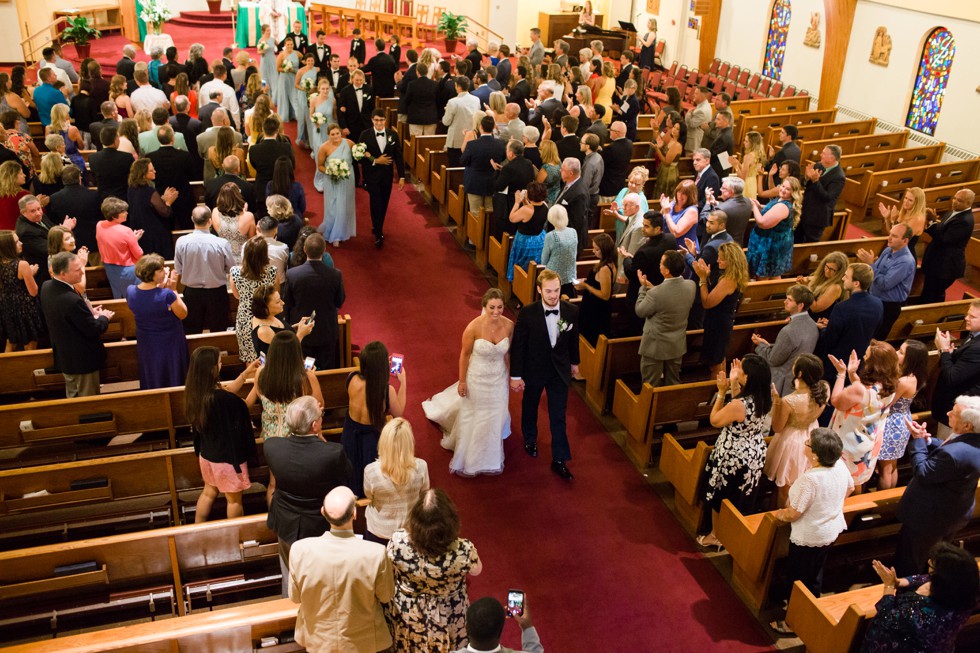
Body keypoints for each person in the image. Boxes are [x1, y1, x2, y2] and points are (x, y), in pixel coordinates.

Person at [768, 428, 854, 636]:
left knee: (797, 579)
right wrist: (829, 506)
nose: (805, 444)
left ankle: (794, 621)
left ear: (815, 454)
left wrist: (778, 514)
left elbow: (794, 513)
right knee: (815, 574)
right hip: (829, 531)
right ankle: (812, 611)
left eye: (808, 443)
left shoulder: (811, 480)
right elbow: (850, 488)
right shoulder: (840, 466)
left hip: (810, 535)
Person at [289, 486, 395, 652]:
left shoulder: (299, 550)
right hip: (364, 641)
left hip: (318, 639)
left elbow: (295, 597)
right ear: (354, 514)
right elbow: (386, 595)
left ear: (323, 512)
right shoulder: (375, 553)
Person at [265, 395, 351, 596]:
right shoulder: (332, 453)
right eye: (320, 416)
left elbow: (291, 446)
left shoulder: (272, 447)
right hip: (318, 525)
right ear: (315, 425)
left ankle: (289, 609)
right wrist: (319, 437)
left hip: (285, 522)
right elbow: (347, 476)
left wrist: (303, 427)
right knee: (320, 577)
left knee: (289, 572)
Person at [423, 289, 513, 477]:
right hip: (477, 378)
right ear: (484, 306)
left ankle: (492, 453)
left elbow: (507, 355)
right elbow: (464, 355)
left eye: (500, 307)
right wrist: (462, 381)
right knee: (476, 415)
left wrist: (511, 377)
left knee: (495, 413)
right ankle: (471, 455)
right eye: (492, 308)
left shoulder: (510, 326)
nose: (496, 312)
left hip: (498, 378)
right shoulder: (473, 327)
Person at [386, 489, 483, 652]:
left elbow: (389, 566)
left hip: (408, 610)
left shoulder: (398, 541)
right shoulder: (463, 550)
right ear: (450, 520)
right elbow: (477, 571)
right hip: (448, 612)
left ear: (415, 519)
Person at [894, 397, 980, 576]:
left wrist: (917, 440)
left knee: (911, 564)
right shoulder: (971, 443)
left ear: (967, 426)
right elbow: (947, 451)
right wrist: (927, 440)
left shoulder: (954, 454)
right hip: (952, 514)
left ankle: (910, 597)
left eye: (954, 414)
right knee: (935, 557)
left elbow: (924, 472)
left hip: (928, 519)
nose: (948, 413)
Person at [697, 355, 773, 550]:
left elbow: (715, 420)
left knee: (720, 494)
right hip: (753, 451)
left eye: (741, 370)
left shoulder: (739, 405)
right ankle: (732, 532)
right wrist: (734, 383)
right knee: (739, 495)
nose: (737, 370)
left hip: (732, 454)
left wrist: (721, 393)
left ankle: (715, 535)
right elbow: (740, 403)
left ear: (748, 378)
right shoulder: (765, 395)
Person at [510, 269, 580, 480]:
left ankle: (559, 459)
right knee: (530, 405)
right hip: (534, 368)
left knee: (558, 414)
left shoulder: (571, 311)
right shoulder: (528, 313)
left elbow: (573, 339)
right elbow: (519, 347)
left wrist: (575, 363)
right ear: (539, 289)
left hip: (559, 370)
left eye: (556, 290)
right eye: (548, 291)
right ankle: (530, 439)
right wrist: (515, 375)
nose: (553, 295)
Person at [861, 543, 979, 652]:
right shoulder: (963, 591)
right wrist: (899, 582)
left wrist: (889, 586)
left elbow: (887, 617)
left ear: (942, 577)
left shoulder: (921, 612)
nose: (928, 562)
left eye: (932, 565)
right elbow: (924, 578)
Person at [184, 346, 257, 522]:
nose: (221, 364)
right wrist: (257, 385)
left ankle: (197, 528)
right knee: (233, 501)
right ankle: (236, 536)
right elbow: (244, 405)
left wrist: (246, 374)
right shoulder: (222, 399)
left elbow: (228, 391)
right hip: (227, 460)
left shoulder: (197, 391)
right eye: (219, 362)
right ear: (212, 368)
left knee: (208, 493)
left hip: (207, 454)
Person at [41, 252, 114, 396]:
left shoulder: (47, 286)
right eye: (77, 270)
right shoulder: (71, 300)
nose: (82, 272)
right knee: (88, 401)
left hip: (66, 357)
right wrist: (104, 317)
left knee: (73, 395)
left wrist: (88, 313)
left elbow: (66, 318)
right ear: (63, 274)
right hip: (82, 359)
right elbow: (94, 328)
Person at [828, 342, 899, 485]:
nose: (864, 358)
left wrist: (841, 374)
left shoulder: (860, 389)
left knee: (840, 483)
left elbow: (836, 401)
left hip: (848, 442)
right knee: (854, 482)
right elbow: (866, 399)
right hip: (866, 441)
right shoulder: (889, 386)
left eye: (867, 356)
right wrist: (852, 374)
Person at [764, 354, 831, 507]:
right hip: (812, 433)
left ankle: (781, 518)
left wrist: (777, 402)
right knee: (798, 484)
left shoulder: (790, 400)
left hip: (792, 441)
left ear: (799, 373)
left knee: (786, 488)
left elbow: (777, 427)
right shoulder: (825, 388)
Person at [343, 341, 407, 497]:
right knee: (370, 476)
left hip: (349, 434)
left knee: (351, 470)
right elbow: (399, 413)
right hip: (371, 440)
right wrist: (403, 382)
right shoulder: (386, 389)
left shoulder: (351, 378)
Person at [282, 232, 345, 369]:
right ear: (324, 251)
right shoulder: (335, 275)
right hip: (327, 330)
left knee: (304, 371)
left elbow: (287, 302)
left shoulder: (292, 274)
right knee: (327, 370)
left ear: (305, 249)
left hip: (303, 330)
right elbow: (339, 302)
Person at [364, 418, 430, 545]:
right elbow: (424, 494)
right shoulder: (421, 466)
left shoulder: (371, 471)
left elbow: (369, 496)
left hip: (379, 531)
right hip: (409, 532)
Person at [635, 250, 696, 387]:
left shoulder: (655, 293)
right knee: (673, 383)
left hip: (655, 346)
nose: (659, 265)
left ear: (667, 271)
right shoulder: (691, 286)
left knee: (650, 385)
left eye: (661, 263)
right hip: (676, 345)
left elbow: (640, 310)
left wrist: (644, 288)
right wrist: (652, 288)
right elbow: (670, 296)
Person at [816, 263, 883, 387]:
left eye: (846, 276)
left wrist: (824, 329)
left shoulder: (842, 308)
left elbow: (830, 340)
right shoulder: (878, 304)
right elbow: (873, 329)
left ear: (856, 283)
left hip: (837, 364)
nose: (842, 278)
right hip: (860, 362)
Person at [127, 254, 188, 389]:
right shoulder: (167, 295)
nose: (165, 271)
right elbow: (183, 314)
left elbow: (148, 302)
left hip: (146, 341)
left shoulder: (130, 291)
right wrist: (174, 289)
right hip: (169, 341)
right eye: (160, 270)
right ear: (151, 274)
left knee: (152, 372)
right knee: (172, 372)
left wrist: (160, 284)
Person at [172, 206, 235, 334]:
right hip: (216, 293)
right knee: (219, 330)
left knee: (191, 331)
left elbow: (178, 268)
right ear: (210, 221)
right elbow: (231, 268)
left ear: (192, 219)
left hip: (192, 293)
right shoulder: (221, 243)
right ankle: (218, 354)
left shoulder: (181, 242)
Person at [878, 339, 929, 490]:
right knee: (891, 466)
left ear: (910, 359)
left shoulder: (905, 380)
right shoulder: (913, 376)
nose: (896, 352)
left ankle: (881, 503)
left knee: (885, 469)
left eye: (900, 352)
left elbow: (886, 402)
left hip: (892, 423)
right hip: (902, 420)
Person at [752, 285, 820, 396]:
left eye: (789, 300)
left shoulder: (788, 331)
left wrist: (760, 346)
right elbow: (792, 348)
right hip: (799, 381)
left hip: (782, 385)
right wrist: (768, 345)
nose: (785, 302)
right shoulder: (812, 324)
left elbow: (773, 360)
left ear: (800, 305)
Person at [694, 242, 748, 378]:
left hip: (718, 325)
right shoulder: (734, 276)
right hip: (722, 322)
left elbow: (707, 302)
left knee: (715, 365)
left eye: (721, 258)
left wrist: (702, 279)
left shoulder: (728, 280)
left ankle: (717, 394)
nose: (718, 260)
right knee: (720, 360)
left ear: (731, 260)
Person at [931, 300, 980, 438]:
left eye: (972, 317)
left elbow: (952, 377)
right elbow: (966, 369)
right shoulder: (974, 335)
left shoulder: (978, 348)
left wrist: (944, 350)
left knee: (945, 448)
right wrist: (950, 356)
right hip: (956, 405)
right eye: (967, 314)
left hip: (958, 412)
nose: (966, 318)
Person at [858, 224, 916, 340]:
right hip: (874, 298)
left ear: (905, 241)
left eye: (894, 236)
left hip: (888, 306)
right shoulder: (888, 249)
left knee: (874, 339)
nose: (889, 238)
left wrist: (871, 264)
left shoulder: (905, 261)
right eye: (890, 234)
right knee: (864, 333)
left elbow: (884, 284)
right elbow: (876, 273)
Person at [919, 188, 975, 304]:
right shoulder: (953, 213)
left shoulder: (965, 220)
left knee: (933, 295)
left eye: (959, 200)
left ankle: (927, 318)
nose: (954, 202)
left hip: (945, 267)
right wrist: (933, 221)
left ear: (968, 203)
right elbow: (941, 231)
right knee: (930, 292)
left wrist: (932, 223)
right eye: (954, 198)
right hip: (938, 263)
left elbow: (945, 239)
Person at [359, 109, 405, 247]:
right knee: (375, 203)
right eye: (376, 120)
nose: (379, 123)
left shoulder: (393, 135)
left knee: (384, 203)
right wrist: (375, 160)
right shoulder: (365, 135)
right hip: (371, 176)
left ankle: (377, 225)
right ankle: (379, 233)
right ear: (372, 120)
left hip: (387, 176)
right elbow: (359, 156)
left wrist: (402, 176)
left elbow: (398, 156)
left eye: (382, 120)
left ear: (385, 120)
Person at [231, 236, 279, 363]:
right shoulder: (272, 272)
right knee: (270, 359)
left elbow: (237, 295)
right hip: (265, 316)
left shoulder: (235, 272)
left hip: (245, 319)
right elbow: (275, 295)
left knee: (251, 362)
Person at [746, 177, 802, 279]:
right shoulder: (781, 199)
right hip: (770, 243)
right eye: (783, 186)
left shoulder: (783, 206)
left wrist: (754, 207)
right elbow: (772, 210)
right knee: (773, 274)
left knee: (764, 276)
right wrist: (760, 207)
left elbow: (762, 223)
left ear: (793, 193)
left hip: (770, 247)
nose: (783, 189)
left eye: (788, 189)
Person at [127, 158, 178, 260]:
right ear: (143, 174)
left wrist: (162, 199)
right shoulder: (150, 191)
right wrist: (168, 202)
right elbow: (165, 212)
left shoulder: (131, 189)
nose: (154, 171)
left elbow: (144, 204)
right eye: (151, 170)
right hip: (154, 233)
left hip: (140, 231)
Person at [17, 195, 73, 286]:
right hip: (44, 274)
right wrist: (64, 231)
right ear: (23, 212)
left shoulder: (38, 216)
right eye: (33, 211)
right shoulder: (25, 231)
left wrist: (62, 228)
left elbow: (52, 229)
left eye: (39, 208)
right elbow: (49, 250)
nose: (38, 213)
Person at [0, 230, 42, 351]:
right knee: (30, 342)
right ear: (8, 246)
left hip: (6, 308)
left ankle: (6, 370)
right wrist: (30, 273)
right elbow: (33, 291)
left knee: (10, 342)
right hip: (25, 309)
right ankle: (30, 370)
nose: (21, 243)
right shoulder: (22, 264)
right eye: (17, 241)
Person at [316, 124, 356, 247]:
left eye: (337, 133)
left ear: (341, 133)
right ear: (328, 135)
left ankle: (340, 233)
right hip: (331, 180)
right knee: (333, 206)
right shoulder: (323, 148)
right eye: (332, 134)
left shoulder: (349, 143)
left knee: (344, 205)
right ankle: (331, 232)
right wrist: (332, 171)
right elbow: (320, 166)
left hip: (347, 179)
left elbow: (358, 154)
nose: (335, 136)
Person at [796, 145, 846, 243]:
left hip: (817, 218)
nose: (820, 155)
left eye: (823, 153)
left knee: (808, 245)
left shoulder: (839, 177)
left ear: (832, 158)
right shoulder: (818, 165)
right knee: (795, 240)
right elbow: (803, 183)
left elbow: (827, 197)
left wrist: (815, 181)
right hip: (804, 211)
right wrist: (806, 178)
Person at [576, 233, 617, 346]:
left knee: (590, 340)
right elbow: (598, 283)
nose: (593, 251)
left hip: (596, 311)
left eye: (597, 249)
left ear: (605, 250)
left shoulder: (605, 268)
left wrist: (586, 286)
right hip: (594, 307)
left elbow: (605, 295)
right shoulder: (607, 263)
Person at [506, 182, 548, 282]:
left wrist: (517, 202)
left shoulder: (526, 209)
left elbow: (512, 218)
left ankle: (519, 283)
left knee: (522, 264)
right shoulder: (545, 205)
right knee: (534, 265)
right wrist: (525, 200)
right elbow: (532, 210)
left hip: (526, 241)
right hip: (539, 239)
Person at [211, 182, 256, 266]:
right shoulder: (248, 216)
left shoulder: (215, 212)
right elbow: (251, 241)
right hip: (242, 262)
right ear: (238, 195)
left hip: (223, 260)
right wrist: (244, 212)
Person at [540, 204, 578, 297]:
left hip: (553, 277)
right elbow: (574, 254)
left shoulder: (551, 236)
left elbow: (544, 261)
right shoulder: (573, 231)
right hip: (570, 276)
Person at [800, 251, 849, 322]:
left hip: (819, 323)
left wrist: (805, 288)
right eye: (827, 266)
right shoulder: (822, 278)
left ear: (840, 272)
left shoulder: (835, 287)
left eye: (832, 269)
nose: (827, 271)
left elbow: (815, 308)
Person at [879, 186, 926, 254]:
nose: (906, 202)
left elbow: (900, 240)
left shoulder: (917, 218)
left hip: (904, 255)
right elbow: (891, 233)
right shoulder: (904, 212)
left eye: (910, 200)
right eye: (906, 198)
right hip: (895, 250)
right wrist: (887, 218)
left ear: (917, 203)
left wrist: (892, 220)